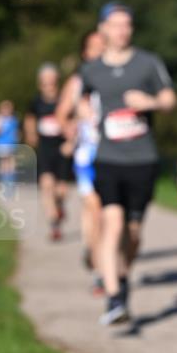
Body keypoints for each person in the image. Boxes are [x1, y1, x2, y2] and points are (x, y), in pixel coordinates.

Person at [81, 2, 177, 326]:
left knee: (133, 233)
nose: (121, 31)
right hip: (108, 158)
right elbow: (81, 98)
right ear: (103, 30)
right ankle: (114, 298)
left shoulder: (148, 63)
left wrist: (148, 102)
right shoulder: (91, 70)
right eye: (115, 24)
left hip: (143, 159)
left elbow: (169, 100)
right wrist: (83, 113)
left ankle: (121, 275)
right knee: (112, 223)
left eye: (126, 25)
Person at [56, 30, 106, 293]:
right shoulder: (77, 82)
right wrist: (71, 127)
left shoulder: (120, 76)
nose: (100, 51)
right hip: (88, 154)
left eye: (104, 46)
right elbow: (61, 114)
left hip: (117, 154)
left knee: (111, 214)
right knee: (94, 208)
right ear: (85, 53)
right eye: (94, 47)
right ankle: (99, 270)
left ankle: (98, 252)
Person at [24, 64, 74, 241]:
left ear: (56, 81)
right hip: (45, 148)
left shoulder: (64, 100)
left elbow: (75, 120)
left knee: (61, 191)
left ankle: (59, 208)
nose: (48, 85)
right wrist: (30, 134)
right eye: (45, 82)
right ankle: (54, 224)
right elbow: (29, 118)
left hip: (62, 149)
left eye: (51, 81)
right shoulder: (36, 102)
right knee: (46, 185)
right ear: (40, 83)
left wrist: (71, 141)